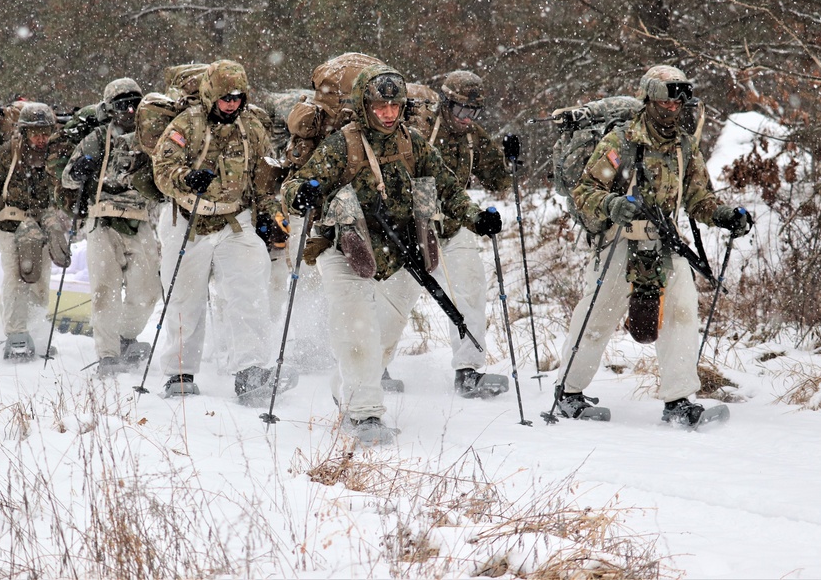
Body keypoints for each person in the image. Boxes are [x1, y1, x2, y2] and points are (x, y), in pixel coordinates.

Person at [281, 64, 501, 444]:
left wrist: (476, 217)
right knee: (357, 333)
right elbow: (295, 183)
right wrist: (302, 193)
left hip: (402, 255)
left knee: (381, 340)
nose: (387, 114)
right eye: (380, 106)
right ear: (365, 105)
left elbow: (448, 188)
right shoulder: (342, 144)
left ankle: (345, 388)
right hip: (343, 250)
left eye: (394, 107)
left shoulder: (413, 143)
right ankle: (365, 415)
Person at [556, 65, 753, 426]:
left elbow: (698, 198)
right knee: (598, 315)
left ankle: (678, 401)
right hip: (620, 239)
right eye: (666, 102)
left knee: (681, 312)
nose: (673, 110)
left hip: (665, 241)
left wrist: (725, 215)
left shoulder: (684, 145)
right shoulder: (621, 141)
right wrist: (613, 205)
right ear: (650, 100)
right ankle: (568, 393)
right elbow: (586, 191)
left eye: (679, 103)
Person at [151, 59, 295, 404]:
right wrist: (186, 178)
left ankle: (252, 371)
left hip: (235, 220)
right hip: (187, 220)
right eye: (225, 97)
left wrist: (271, 213)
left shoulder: (252, 128)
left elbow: (264, 178)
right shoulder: (187, 124)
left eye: (238, 97)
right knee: (186, 299)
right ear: (211, 94)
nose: (232, 104)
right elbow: (162, 169)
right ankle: (179, 373)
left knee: (249, 292)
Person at [420, 70, 514, 398]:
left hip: (455, 224)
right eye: (461, 111)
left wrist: (511, 159)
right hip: (412, 226)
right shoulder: (421, 129)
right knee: (395, 303)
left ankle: (468, 370)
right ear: (446, 104)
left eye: (474, 112)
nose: (467, 119)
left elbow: (498, 179)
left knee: (471, 290)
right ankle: (375, 368)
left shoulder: (473, 135)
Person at [61, 78, 163, 376]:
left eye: (134, 105)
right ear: (110, 109)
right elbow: (68, 177)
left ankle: (125, 337)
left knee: (147, 290)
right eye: (122, 106)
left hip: (139, 220)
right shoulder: (97, 138)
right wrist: (82, 168)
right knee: (105, 290)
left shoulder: (151, 138)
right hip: (103, 219)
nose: (129, 111)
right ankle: (108, 354)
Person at [0, 102, 72, 360]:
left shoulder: (56, 155)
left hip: (43, 225)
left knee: (40, 281)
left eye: (45, 131)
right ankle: (16, 332)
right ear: (25, 131)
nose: (41, 138)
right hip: (11, 223)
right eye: (36, 132)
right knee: (16, 277)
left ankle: (35, 330)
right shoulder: (8, 153)